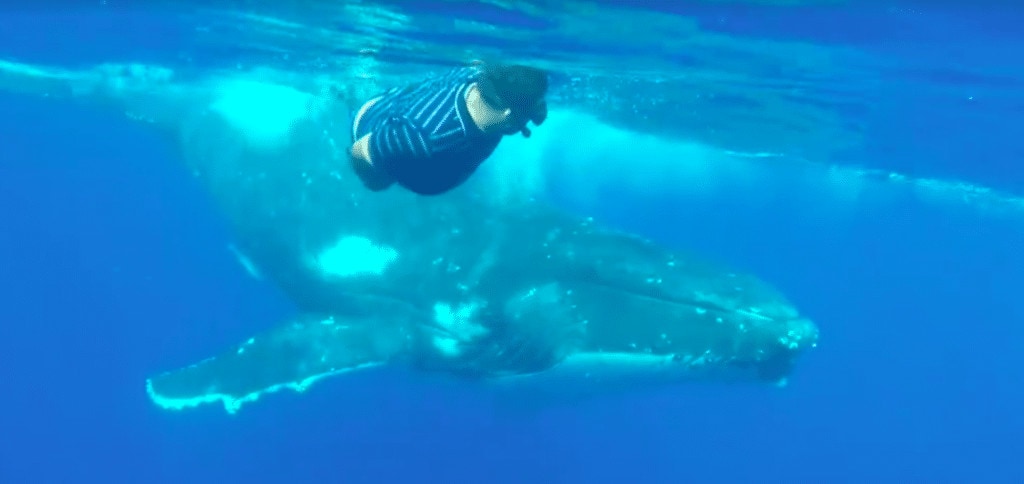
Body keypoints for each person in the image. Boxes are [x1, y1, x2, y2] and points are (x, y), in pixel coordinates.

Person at [348, 60, 549, 196]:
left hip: (406, 107)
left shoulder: (480, 78)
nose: (533, 120)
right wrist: (382, 179)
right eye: (528, 117)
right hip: (370, 119)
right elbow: (360, 151)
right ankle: (351, 90)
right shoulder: (420, 136)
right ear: (509, 115)